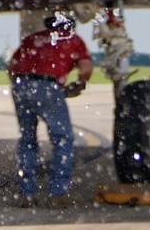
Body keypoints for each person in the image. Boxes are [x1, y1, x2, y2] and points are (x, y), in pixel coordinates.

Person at [6, 13, 93, 208]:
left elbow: (11, 66)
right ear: (70, 26)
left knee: (28, 139)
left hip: (21, 84)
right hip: (48, 85)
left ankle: (27, 193)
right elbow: (85, 68)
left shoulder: (33, 38)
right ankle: (57, 193)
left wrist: (25, 87)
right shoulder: (72, 39)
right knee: (63, 139)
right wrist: (79, 85)